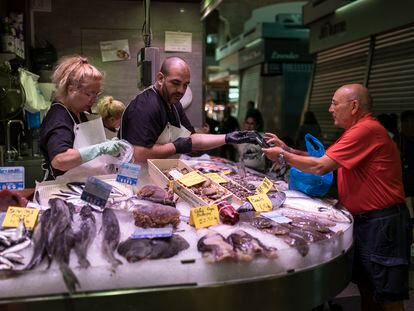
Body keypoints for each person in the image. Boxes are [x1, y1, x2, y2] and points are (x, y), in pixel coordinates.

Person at [262, 84, 411, 311]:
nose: (330, 109)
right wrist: (289, 149)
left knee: (388, 295)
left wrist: (283, 156)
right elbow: (327, 158)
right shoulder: (356, 131)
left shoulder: (366, 130)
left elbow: (322, 166)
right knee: (368, 287)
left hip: (383, 223)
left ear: (353, 106)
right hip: (367, 221)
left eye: (334, 103)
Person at [120, 56, 258, 162]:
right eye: (176, 83)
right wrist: (175, 147)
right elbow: (138, 154)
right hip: (137, 180)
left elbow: (192, 139)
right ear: (160, 78)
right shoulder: (147, 106)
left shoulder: (174, 105)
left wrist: (227, 138)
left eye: (185, 85)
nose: (181, 90)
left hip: (157, 174)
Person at [40, 55, 130, 180]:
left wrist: (108, 146)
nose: (94, 100)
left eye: (96, 94)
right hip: (63, 188)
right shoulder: (59, 116)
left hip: (84, 183)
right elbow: (59, 160)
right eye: (89, 94)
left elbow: (84, 149)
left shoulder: (80, 112)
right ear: (71, 90)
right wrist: (100, 149)